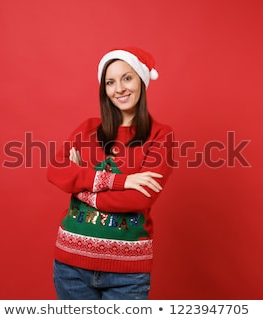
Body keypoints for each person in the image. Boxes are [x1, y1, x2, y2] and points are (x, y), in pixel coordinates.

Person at [47, 47, 174, 300]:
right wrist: (122, 181)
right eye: (110, 82)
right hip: (71, 265)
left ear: (141, 81)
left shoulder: (160, 136)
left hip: (127, 274)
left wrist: (81, 186)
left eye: (127, 78)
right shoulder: (88, 129)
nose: (119, 89)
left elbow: (139, 199)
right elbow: (55, 170)